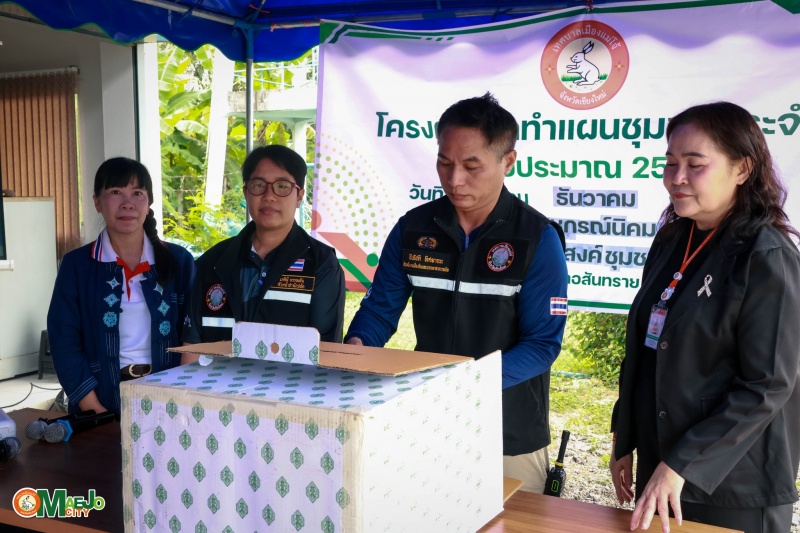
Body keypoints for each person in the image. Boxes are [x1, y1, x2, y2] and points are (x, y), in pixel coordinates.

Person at [345, 93, 569, 493]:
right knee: (420, 511)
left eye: (471, 166)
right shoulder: (414, 228)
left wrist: (467, 384)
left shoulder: (537, 238)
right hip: (426, 417)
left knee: (512, 520)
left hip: (508, 427)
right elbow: (379, 311)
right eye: (444, 163)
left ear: (508, 162)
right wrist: (356, 349)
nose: (454, 179)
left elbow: (542, 344)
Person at [609, 102, 800, 533]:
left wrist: (682, 463)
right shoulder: (672, 238)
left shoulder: (766, 256)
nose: (676, 177)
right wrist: (626, 435)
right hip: (664, 465)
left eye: (695, 165)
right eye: (670, 163)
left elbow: (767, 384)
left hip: (733, 483)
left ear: (742, 169)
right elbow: (645, 349)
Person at [47, 157, 196, 415]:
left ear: (149, 202)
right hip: (100, 400)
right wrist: (94, 409)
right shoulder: (77, 265)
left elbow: (193, 334)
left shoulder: (178, 260)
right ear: (97, 202)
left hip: (170, 399)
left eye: (137, 193)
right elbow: (63, 339)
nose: (128, 203)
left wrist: (181, 397)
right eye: (115, 192)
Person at [181, 145, 345, 354]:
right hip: (214, 376)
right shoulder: (213, 262)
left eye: (282, 186)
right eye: (258, 185)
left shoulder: (321, 264)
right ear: (245, 192)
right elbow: (191, 348)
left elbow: (327, 353)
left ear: (299, 196)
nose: (269, 196)